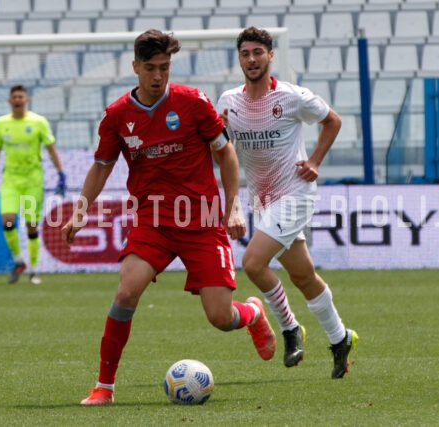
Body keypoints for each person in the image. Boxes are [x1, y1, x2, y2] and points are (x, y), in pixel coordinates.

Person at [61, 29, 277, 406]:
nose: (158, 76)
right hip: (153, 221)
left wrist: (234, 207)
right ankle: (104, 387)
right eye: (150, 68)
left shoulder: (193, 102)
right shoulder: (117, 116)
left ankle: (253, 313)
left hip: (203, 221)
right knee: (127, 291)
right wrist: (81, 209)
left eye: (164, 67)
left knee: (219, 317)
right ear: (135, 68)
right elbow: (101, 167)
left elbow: (226, 155)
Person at [216, 27, 358, 379]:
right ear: (240, 58)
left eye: (258, 52)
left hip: (294, 193)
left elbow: (332, 120)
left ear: (270, 56)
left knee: (251, 263)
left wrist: (314, 161)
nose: (251, 59)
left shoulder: (293, 97)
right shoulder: (229, 103)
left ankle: (290, 328)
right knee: (303, 275)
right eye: (245, 53)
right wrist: (232, 204)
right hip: (262, 198)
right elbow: (224, 153)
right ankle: (341, 338)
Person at [0, 84, 66, 285]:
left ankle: (34, 270)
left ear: (26, 100)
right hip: (10, 180)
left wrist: (61, 172)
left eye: (21, 96)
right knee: (7, 221)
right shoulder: (1, 123)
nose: (18, 100)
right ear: (10, 101)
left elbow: (51, 148)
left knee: (31, 225)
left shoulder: (39, 122)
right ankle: (19, 261)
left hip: (32, 180)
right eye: (15, 97)